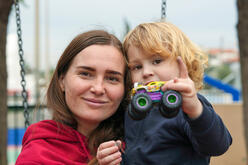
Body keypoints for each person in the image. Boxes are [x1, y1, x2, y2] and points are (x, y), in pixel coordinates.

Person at [97, 22, 232, 165]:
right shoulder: (134, 109)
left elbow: (217, 146)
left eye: (157, 61)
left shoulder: (188, 106)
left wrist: (195, 109)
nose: (146, 72)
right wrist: (114, 159)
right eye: (137, 67)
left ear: (183, 63)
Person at [15, 30, 131, 165]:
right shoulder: (40, 148)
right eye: (85, 74)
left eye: (112, 78)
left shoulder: (138, 145)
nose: (98, 88)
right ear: (62, 80)